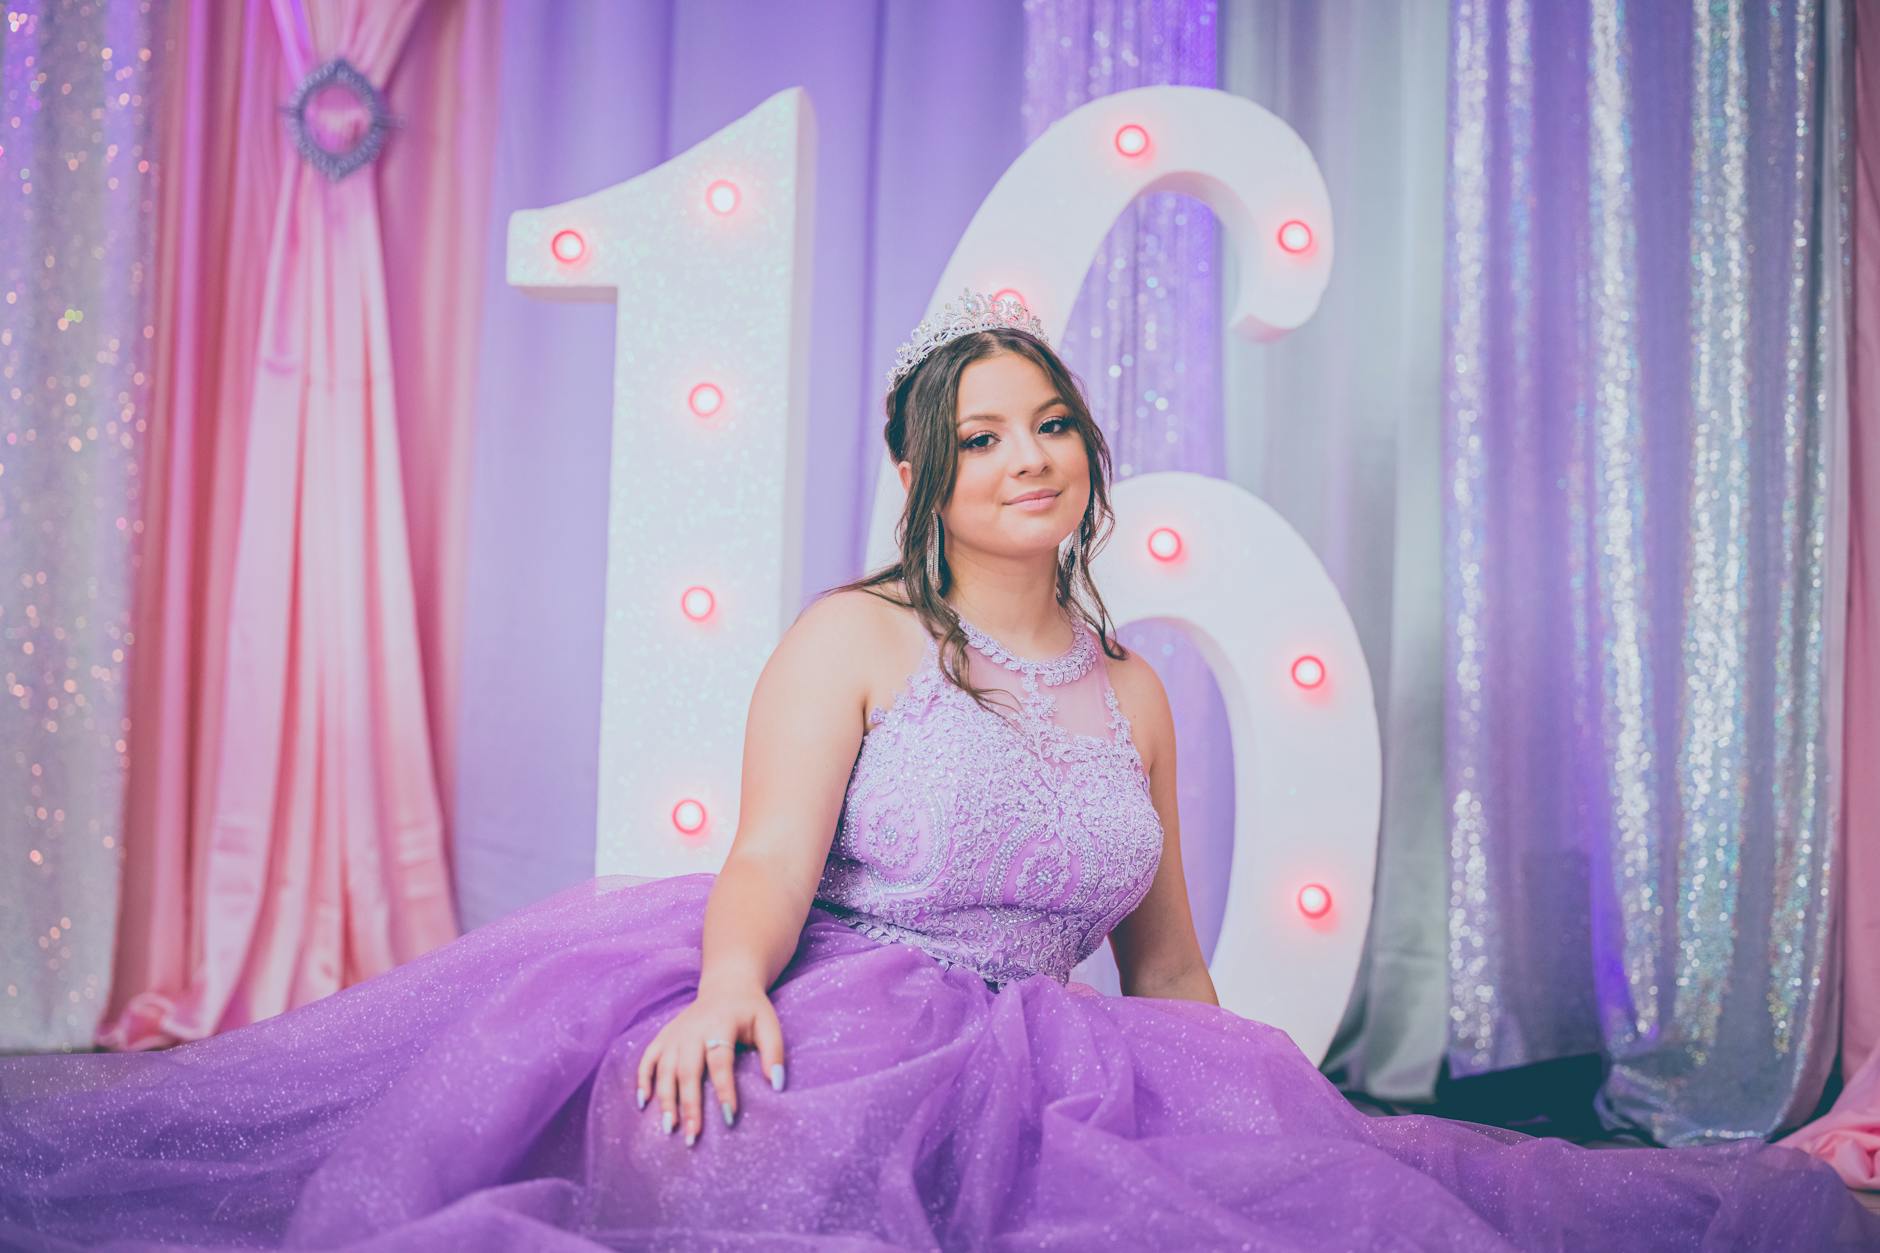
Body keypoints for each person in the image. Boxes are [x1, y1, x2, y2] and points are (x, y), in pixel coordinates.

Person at [1, 291, 1874, 1251]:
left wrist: (1273, 1114)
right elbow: (762, 858)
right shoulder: (859, 639)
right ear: (930, 481)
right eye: (984, 439)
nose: (1028, 458)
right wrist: (731, 987)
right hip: (833, 1008)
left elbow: (1171, 975)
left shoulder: (1137, 691)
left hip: (1058, 1060)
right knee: (757, 1188)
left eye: (1051, 424)